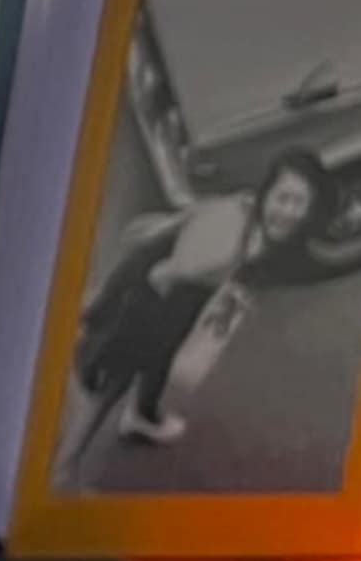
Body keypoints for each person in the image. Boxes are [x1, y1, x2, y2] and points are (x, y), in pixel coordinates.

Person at [64, 147, 326, 466]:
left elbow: (197, 220)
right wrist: (131, 328)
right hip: (156, 294)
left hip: (177, 298)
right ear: (266, 194)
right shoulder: (228, 242)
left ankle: (137, 414)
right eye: (282, 199)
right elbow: (162, 275)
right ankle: (68, 462)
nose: (289, 212)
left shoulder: (251, 221)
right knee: (114, 381)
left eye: (300, 203)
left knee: (155, 355)